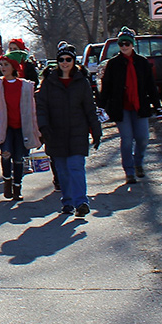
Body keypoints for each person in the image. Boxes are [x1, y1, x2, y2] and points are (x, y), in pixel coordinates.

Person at [36, 43, 102, 216]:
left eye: (68, 59)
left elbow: (89, 108)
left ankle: (81, 202)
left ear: (74, 61)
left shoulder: (82, 81)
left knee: (76, 166)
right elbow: (41, 107)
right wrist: (43, 127)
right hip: (55, 132)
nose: (65, 63)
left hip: (77, 132)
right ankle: (67, 201)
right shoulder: (49, 82)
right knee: (63, 170)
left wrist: (96, 130)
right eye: (61, 59)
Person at [98, 27, 161, 184]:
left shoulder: (142, 63)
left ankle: (138, 162)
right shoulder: (113, 64)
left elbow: (150, 86)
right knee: (126, 139)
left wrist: (157, 105)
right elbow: (106, 87)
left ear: (132, 44)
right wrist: (101, 106)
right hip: (121, 107)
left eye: (127, 44)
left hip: (139, 106)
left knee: (143, 138)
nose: (124, 47)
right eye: (121, 44)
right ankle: (129, 171)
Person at [0, 54, 42, 201]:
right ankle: (7, 181)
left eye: (6, 65)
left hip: (22, 127)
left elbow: (32, 111)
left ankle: (17, 187)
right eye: (1, 65)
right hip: (5, 127)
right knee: (6, 154)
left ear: (14, 67)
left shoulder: (26, 86)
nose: (3, 68)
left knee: (19, 158)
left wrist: (37, 132)